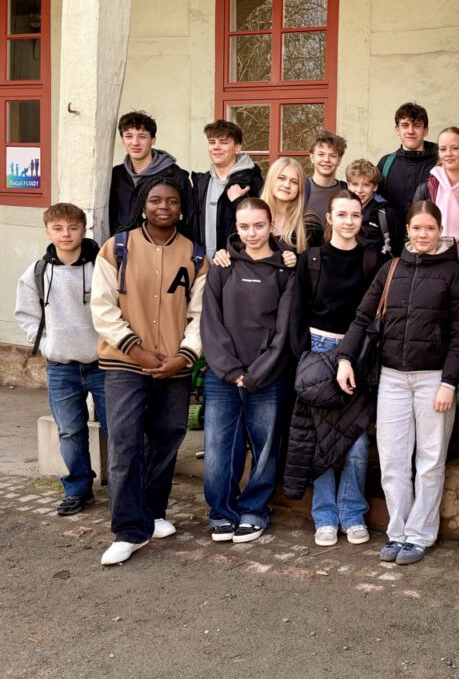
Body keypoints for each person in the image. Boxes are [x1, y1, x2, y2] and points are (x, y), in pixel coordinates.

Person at [337, 201, 459, 565]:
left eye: (430, 228)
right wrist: (345, 357)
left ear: (440, 230)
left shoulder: (454, 274)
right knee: (395, 459)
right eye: (416, 228)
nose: (423, 235)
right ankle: (397, 532)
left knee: (429, 459)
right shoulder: (391, 268)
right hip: (392, 378)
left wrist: (449, 381)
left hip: (433, 380)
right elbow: (363, 316)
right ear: (407, 230)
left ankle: (420, 535)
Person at [90, 176, 208, 565]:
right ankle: (128, 530)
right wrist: (137, 351)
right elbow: (103, 307)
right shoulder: (117, 248)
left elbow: (200, 314)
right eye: (155, 200)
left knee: (166, 438)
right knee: (124, 443)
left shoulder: (195, 256)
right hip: (125, 363)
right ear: (143, 205)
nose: (163, 207)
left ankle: (153, 513)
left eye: (172, 202)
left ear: (181, 209)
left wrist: (185, 355)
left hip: (173, 365)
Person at [284, 190, 382, 546]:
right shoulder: (311, 260)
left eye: (355, 215)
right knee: (320, 444)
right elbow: (297, 313)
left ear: (361, 219)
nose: (348, 221)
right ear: (329, 219)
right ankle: (324, 516)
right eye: (341, 215)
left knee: (356, 442)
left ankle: (351, 513)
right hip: (318, 351)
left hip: (357, 354)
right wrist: (304, 358)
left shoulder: (373, 260)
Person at [200, 198, 296, 544]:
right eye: (244, 226)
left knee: (266, 446)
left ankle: (255, 509)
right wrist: (230, 370)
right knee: (219, 447)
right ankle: (221, 511)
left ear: (271, 226)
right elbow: (210, 323)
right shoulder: (222, 267)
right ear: (236, 228)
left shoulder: (286, 269)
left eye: (259, 225)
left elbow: (285, 329)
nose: (252, 233)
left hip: (268, 377)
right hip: (223, 375)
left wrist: (257, 373)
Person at [15, 203, 107, 516]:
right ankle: (79, 489)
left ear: (84, 230)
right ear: (47, 231)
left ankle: (125, 487)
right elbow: (26, 314)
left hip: (103, 364)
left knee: (116, 428)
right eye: (58, 228)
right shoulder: (37, 272)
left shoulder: (101, 267)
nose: (66, 234)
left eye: (72, 228)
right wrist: (44, 343)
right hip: (60, 367)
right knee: (70, 430)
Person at [108, 110, 192, 235]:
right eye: (129, 136)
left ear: (153, 140)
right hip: (123, 250)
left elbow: (189, 219)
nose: (135, 143)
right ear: (122, 139)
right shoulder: (116, 175)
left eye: (142, 136)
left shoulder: (175, 176)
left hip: (163, 249)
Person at [191, 119, 264, 260]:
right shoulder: (201, 183)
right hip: (204, 267)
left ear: (237, 148)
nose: (216, 147)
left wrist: (238, 201)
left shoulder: (252, 182)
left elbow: (259, 226)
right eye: (212, 142)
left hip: (237, 265)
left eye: (223, 142)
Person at [412, 126, 459, 268]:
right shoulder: (426, 188)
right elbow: (412, 230)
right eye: (443, 149)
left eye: (455, 148)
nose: (448, 154)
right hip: (430, 262)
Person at [377, 102, 437, 221]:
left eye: (416, 125)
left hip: (429, 236)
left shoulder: (439, 161)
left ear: (425, 130)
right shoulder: (386, 163)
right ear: (397, 129)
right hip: (393, 237)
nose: (410, 131)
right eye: (405, 125)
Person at [346, 159, 401, 258]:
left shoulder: (387, 215)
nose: (359, 190)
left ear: (375, 187)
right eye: (355, 184)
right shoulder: (341, 213)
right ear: (348, 185)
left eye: (366, 185)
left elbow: (398, 251)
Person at [303, 131, 348, 241]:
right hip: (304, 255)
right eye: (321, 154)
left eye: (332, 155)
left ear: (339, 160)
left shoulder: (347, 190)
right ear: (312, 157)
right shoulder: (300, 189)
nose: (326, 160)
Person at [259, 156, 309, 253]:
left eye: (294, 182)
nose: (286, 185)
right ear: (271, 180)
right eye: (281, 178)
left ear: (300, 188)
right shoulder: (251, 217)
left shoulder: (309, 225)